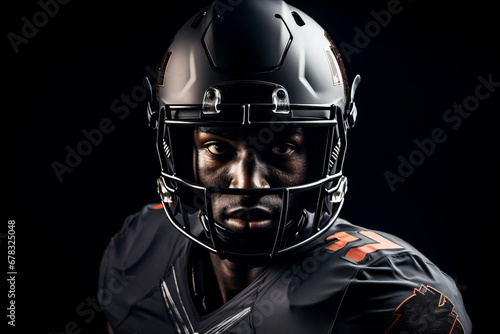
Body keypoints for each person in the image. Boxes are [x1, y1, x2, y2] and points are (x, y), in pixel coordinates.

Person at [98, 0, 471, 332]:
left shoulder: (386, 295)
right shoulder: (139, 246)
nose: (249, 183)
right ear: (180, 152)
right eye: (217, 147)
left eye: (280, 147)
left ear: (324, 150)